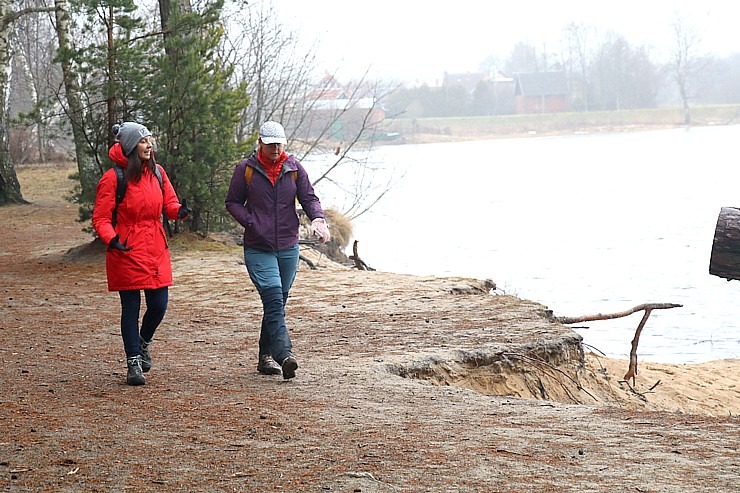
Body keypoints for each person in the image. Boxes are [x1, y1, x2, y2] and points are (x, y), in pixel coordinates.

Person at [225, 121, 330, 380]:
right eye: (270, 143)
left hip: (288, 246)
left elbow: (309, 198)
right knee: (273, 300)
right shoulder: (246, 170)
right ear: (260, 142)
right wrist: (251, 221)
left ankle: (265, 356)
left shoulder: (294, 169)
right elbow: (232, 202)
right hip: (259, 247)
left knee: (277, 304)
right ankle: (285, 355)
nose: (275, 148)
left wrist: (317, 219)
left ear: (284, 143)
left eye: (279, 143)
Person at [92, 122, 191, 386]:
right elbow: (101, 217)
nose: (149, 145)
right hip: (125, 248)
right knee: (131, 308)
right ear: (130, 146)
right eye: (144, 141)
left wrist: (179, 210)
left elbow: (169, 203)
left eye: (150, 140)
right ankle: (133, 362)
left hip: (155, 247)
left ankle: (144, 342)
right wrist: (111, 240)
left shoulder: (157, 173)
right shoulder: (113, 178)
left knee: (159, 305)